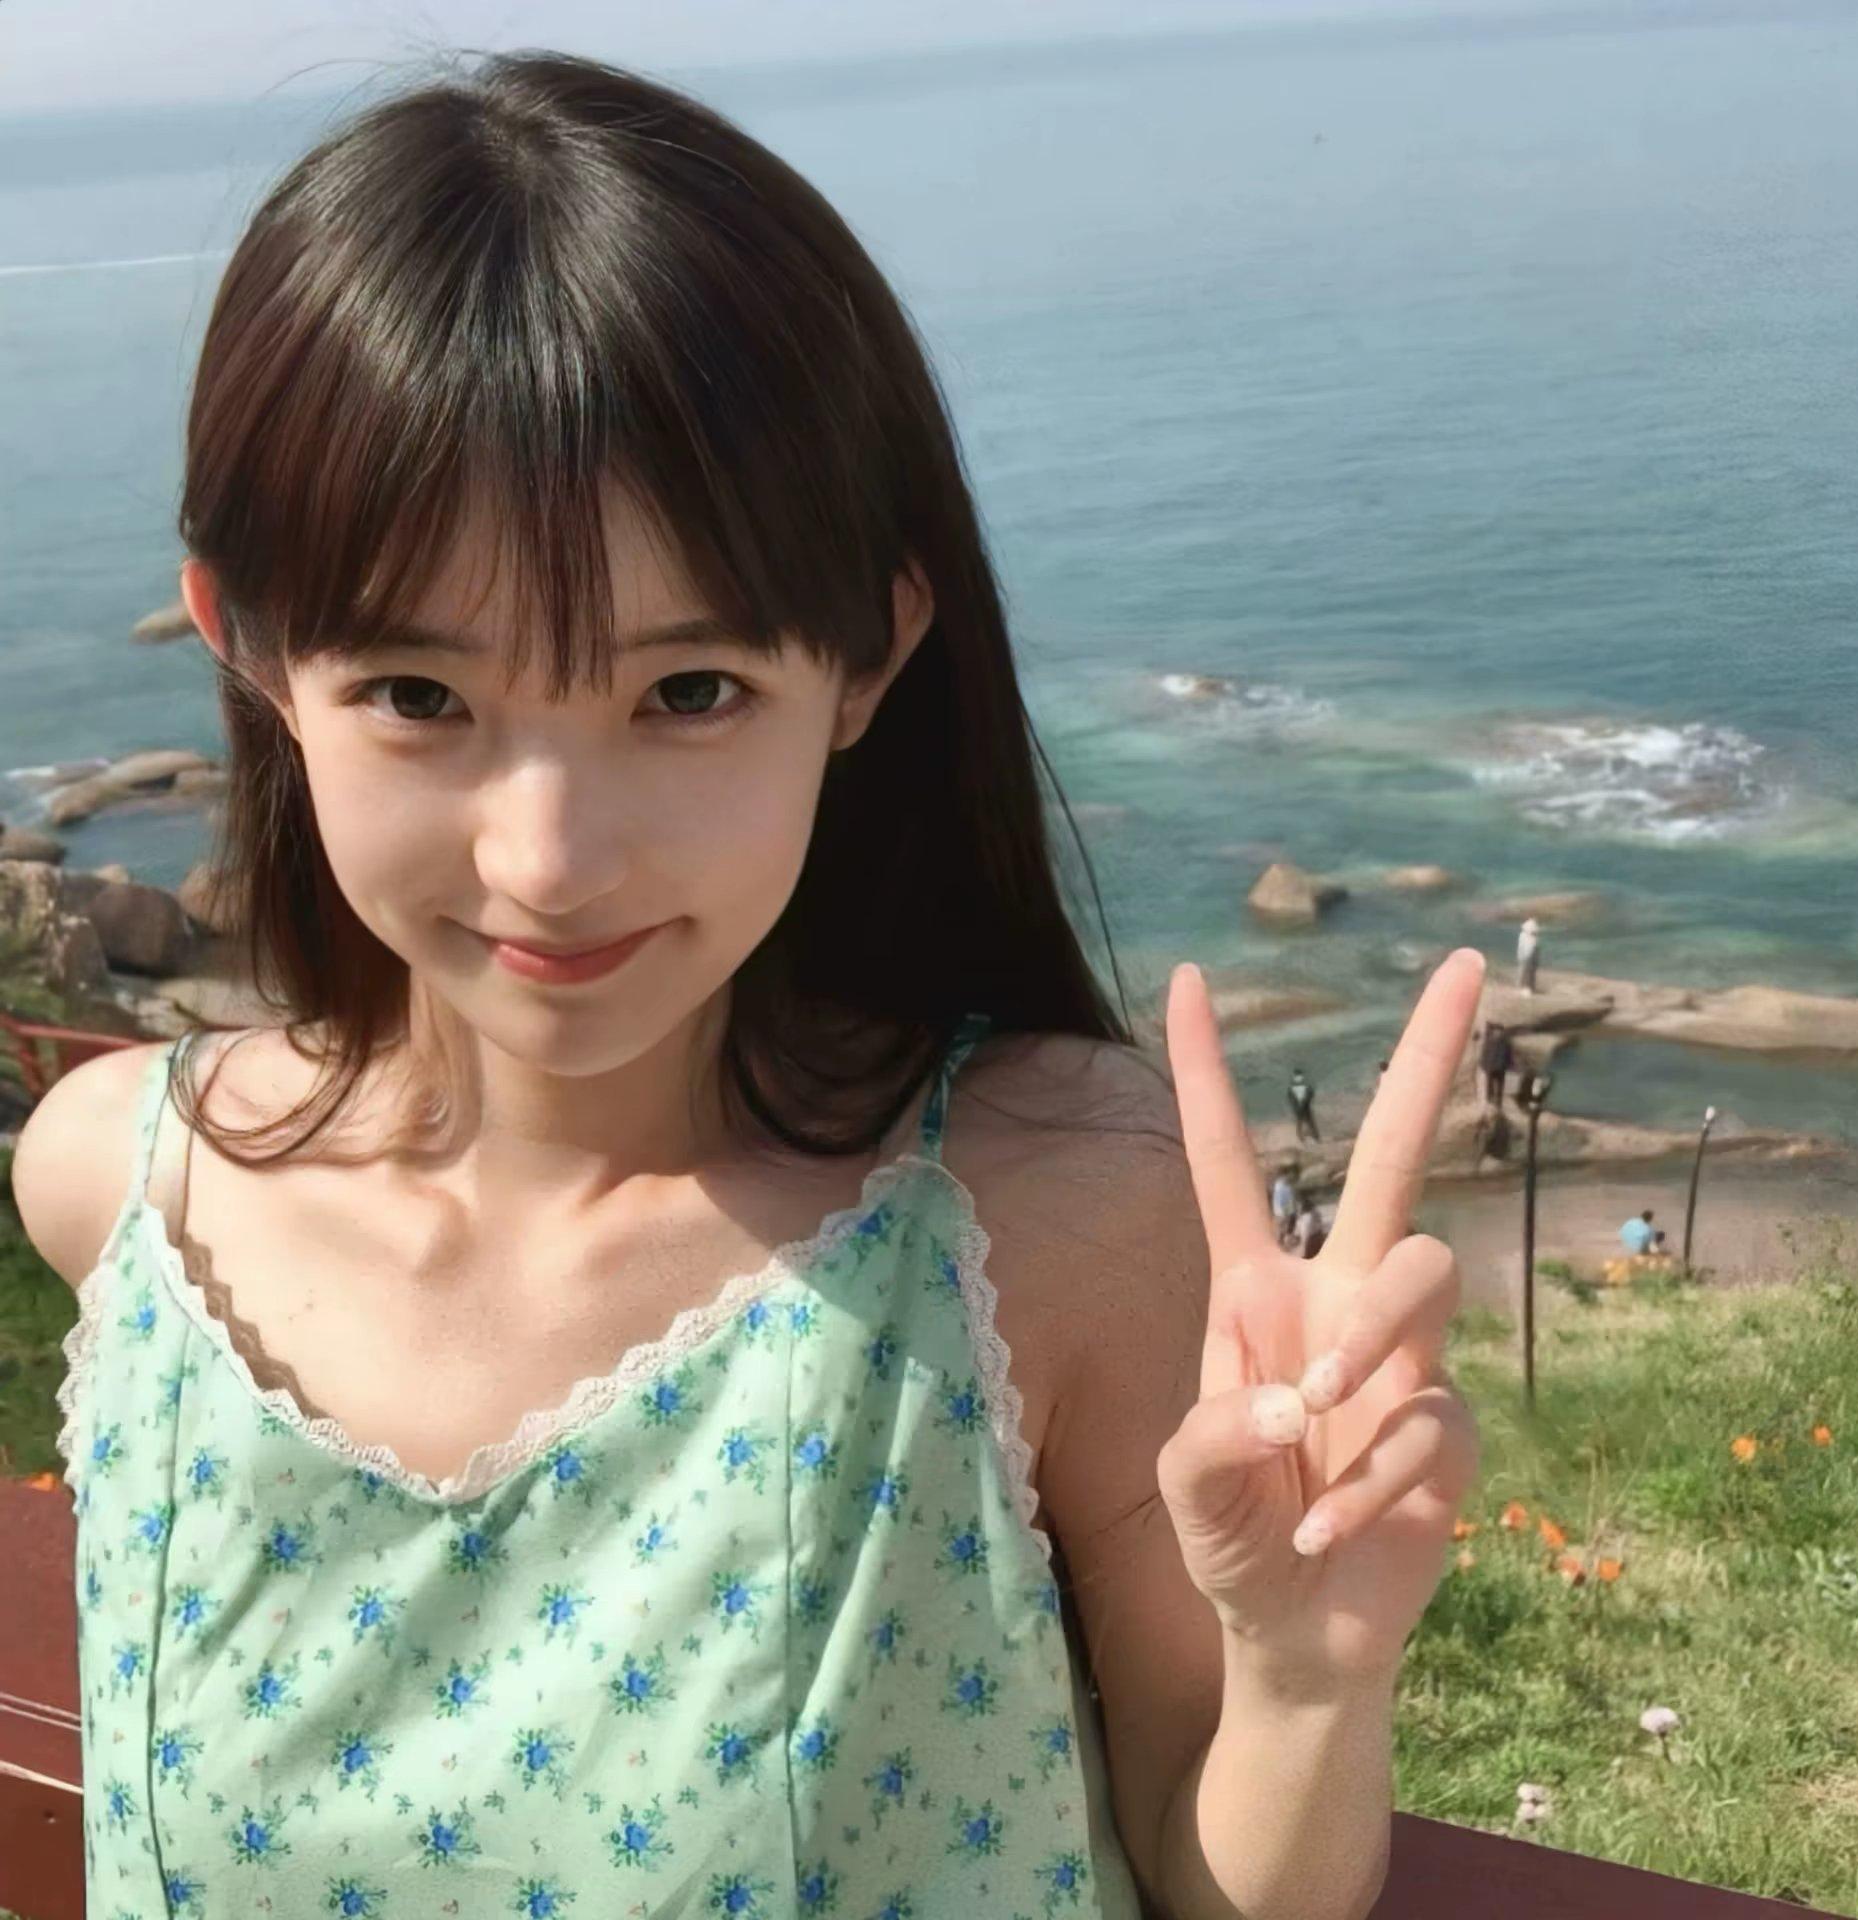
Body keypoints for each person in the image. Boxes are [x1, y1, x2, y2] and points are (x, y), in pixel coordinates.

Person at [11, 55, 1482, 1918]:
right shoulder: (122, 1192)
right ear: (248, 647)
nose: (550, 857)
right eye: (420, 696)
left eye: (687, 693)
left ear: (866, 660)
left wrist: (1303, 1682)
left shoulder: (1043, 1219)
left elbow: (1224, 1880)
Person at [1476, 1021, 1514, 1110]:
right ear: (1494, 1032)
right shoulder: (1489, 1042)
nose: (1498, 1033)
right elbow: (1484, 1054)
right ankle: (1489, 1101)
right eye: (1497, 1031)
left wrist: (1510, 1065)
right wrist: (1483, 1065)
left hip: (1501, 1067)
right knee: (1490, 1085)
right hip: (1491, 1067)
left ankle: (1498, 1103)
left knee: (1500, 1086)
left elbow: (1509, 1055)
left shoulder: (1506, 1043)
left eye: (1500, 1031)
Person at [1287, 1064, 1321, 1142]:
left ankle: (1315, 1138)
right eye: (1297, 1075)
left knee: (1308, 1122)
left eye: (1299, 1075)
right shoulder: (1292, 1087)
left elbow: (1311, 1094)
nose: (1298, 1077)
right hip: (1300, 1107)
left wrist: (1304, 1101)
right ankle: (1304, 1138)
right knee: (1302, 1122)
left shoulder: (1306, 1086)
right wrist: (1297, 1104)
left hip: (1304, 1107)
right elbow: (1291, 1097)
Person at [1270, 1162, 1300, 1247]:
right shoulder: (1281, 1185)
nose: (1292, 1177)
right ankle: (1282, 1244)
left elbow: (1289, 1199)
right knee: (1283, 1230)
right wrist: (1287, 1213)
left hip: (1286, 1212)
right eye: (1290, 1174)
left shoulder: (1285, 1185)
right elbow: (1281, 1201)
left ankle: (1284, 1243)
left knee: (1285, 1230)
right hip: (1284, 1213)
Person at [1296, 1194, 1330, 1260]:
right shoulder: (1313, 1214)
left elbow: (1302, 1234)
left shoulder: (1303, 1218)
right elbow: (1319, 1225)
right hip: (1315, 1239)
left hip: (1309, 1241)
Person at [1516, 915, 1542, 993]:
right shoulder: (1529, 935)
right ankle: (1526, 987)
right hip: (1528, 956)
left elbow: (1523, 948)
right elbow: (1528, 949)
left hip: (1528, 956)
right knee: (1527, 971)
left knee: (1527, 971)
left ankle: (1527, 986)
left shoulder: (1526, 935)